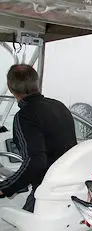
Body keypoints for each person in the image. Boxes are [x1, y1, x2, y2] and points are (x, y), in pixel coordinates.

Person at [0, 64, 77, 213]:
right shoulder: (59, 106)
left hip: (45, 195)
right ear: (36, 83)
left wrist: (6, 188)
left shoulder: (24, 117)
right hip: (69, 191)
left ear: (10, 89)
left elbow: (35, 163)